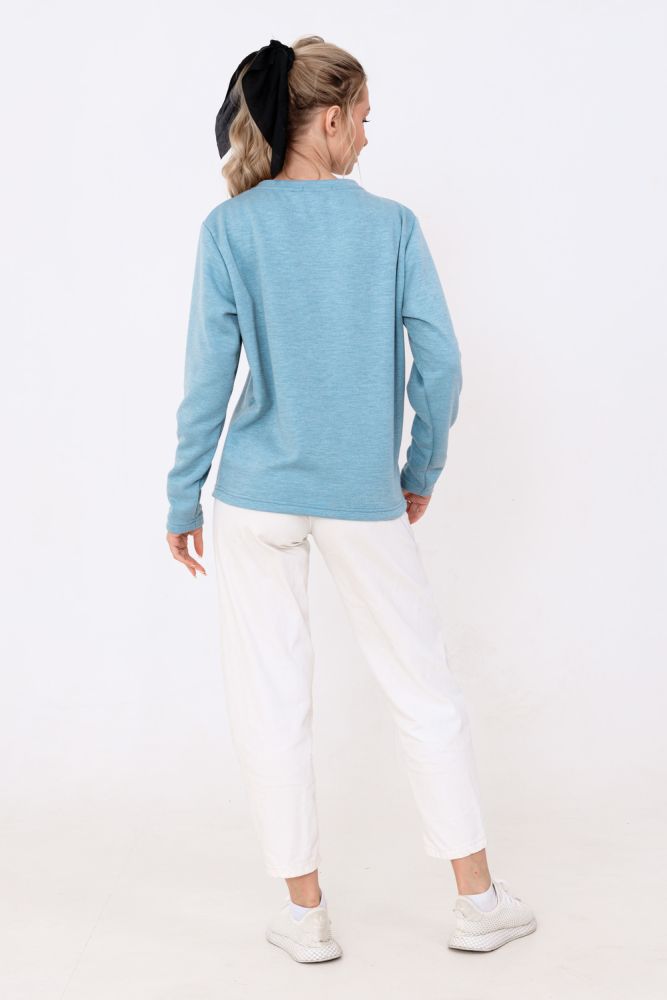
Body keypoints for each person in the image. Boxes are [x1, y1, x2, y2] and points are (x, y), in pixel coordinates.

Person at [165, 35, 537, 963]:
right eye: (364, 118)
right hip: (360, 494)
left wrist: (183, 497)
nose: (369, 136)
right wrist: (419, 468)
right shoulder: (391, 227)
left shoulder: (230, 228)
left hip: (253, 497)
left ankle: (304, 917)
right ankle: (477, 901)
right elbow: (440, 365)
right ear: (328, 119)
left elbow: (207, 381)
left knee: (271, 700)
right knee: (423, 689)